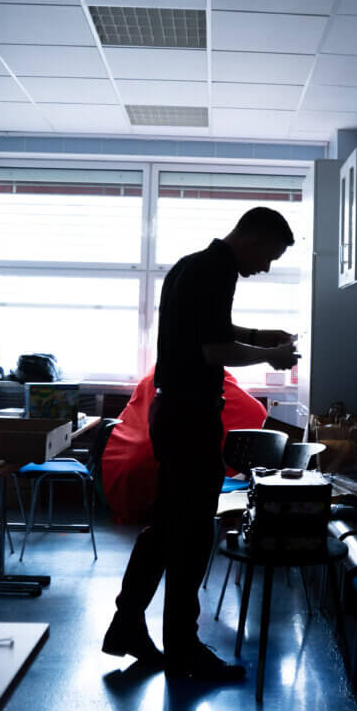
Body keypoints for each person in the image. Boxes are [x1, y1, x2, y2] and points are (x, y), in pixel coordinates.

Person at [102, 207, 299, 682]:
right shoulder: (217, 270)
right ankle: (183, 648)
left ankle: (127, 625)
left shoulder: (191, 265)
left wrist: (259, 335)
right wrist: (271, 355)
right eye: (269, 256)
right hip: (190, 417)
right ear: (253, 238)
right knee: (191, 535)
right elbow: (214, 351)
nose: (266, 267)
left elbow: (209, 330)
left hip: (173, 412)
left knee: (168, 527)